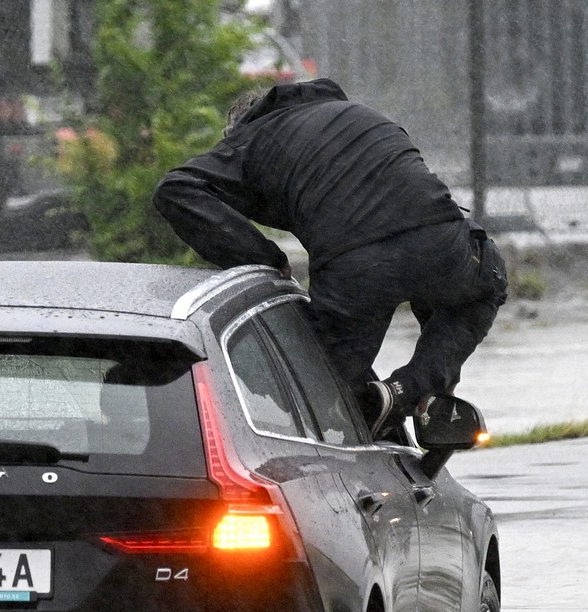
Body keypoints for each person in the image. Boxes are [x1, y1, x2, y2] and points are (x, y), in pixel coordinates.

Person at [153, 79, 508, 438]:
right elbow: (404, 218)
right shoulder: (361, 115)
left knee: (322, 393)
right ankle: (403, 393)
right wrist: (434, 369)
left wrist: (263, 258)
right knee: (485, 285)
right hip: (439, 239)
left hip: (354, 269)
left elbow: (176, 189)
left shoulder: (252, 139)